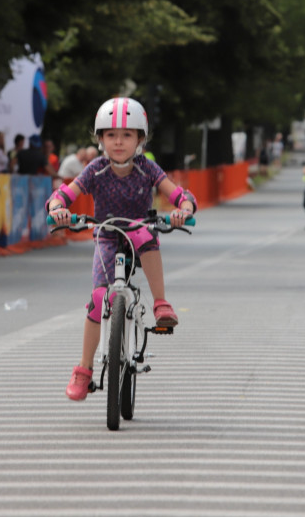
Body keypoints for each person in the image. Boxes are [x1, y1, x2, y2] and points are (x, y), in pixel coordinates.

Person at [47, 97, 196, 402]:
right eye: (111, 135)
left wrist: (184, 208)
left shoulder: (146, 168)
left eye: (127, 135)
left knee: (147, 234)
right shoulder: (95, 169)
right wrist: (58, 208)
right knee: (99, 297)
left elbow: (178, 194)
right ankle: (84, 369)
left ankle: (161, 303)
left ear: (140, 139)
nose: (118, 142)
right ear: (100, 139)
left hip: (139, 231)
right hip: (106, 234)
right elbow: (63, 195)